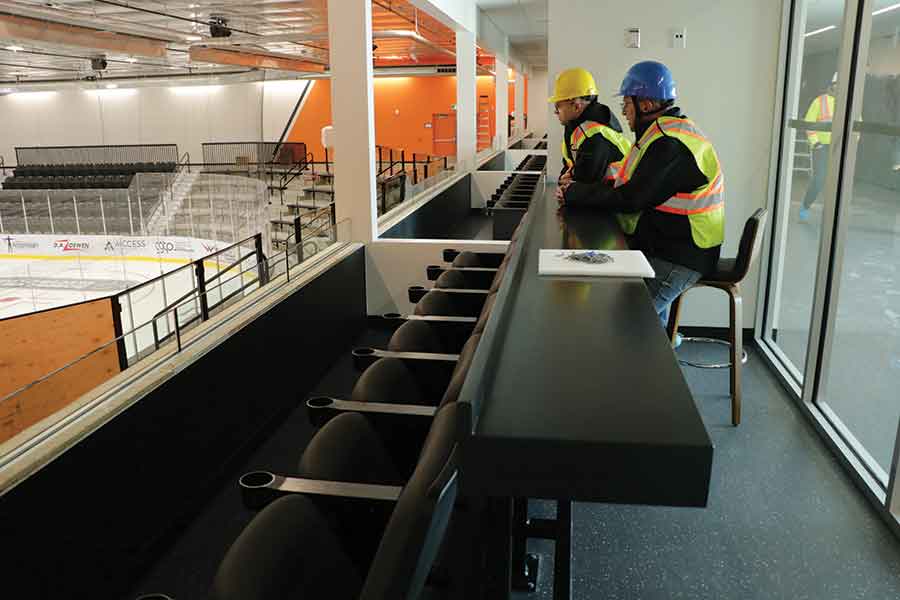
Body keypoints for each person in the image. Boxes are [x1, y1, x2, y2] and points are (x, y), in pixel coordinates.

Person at [561, 61, 725, 332]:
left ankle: (654, 350)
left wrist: (574, 192)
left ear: (646, 105)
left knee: (624, 321)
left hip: (681, 256)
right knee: (635, 319)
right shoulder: (661, 135)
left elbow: (631, 199)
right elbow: (632, 187)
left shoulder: (670, 143)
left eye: (627, 104)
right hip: (668, 245)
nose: (623, 112)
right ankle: (659, 342)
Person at [549, 68, 631, 203]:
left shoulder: (595, 136)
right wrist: (564, 179)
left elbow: (585, 185)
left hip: (618, 212)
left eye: (558, 106)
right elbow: (570, 169)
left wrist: (567, 189)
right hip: (603, 206)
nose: (555, 112)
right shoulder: (576, 130)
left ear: (576, 106)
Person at [799, 73, 836, 222]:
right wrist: (815, 143)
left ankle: (833, 214)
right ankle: (806, 205)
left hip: (840, 147)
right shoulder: (820, 101)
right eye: (836, 85)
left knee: (837, 181)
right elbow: (809, 123)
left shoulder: (849, 103)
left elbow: (856, 125)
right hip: (821, 146)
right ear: (831, 85)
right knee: (819, 179)